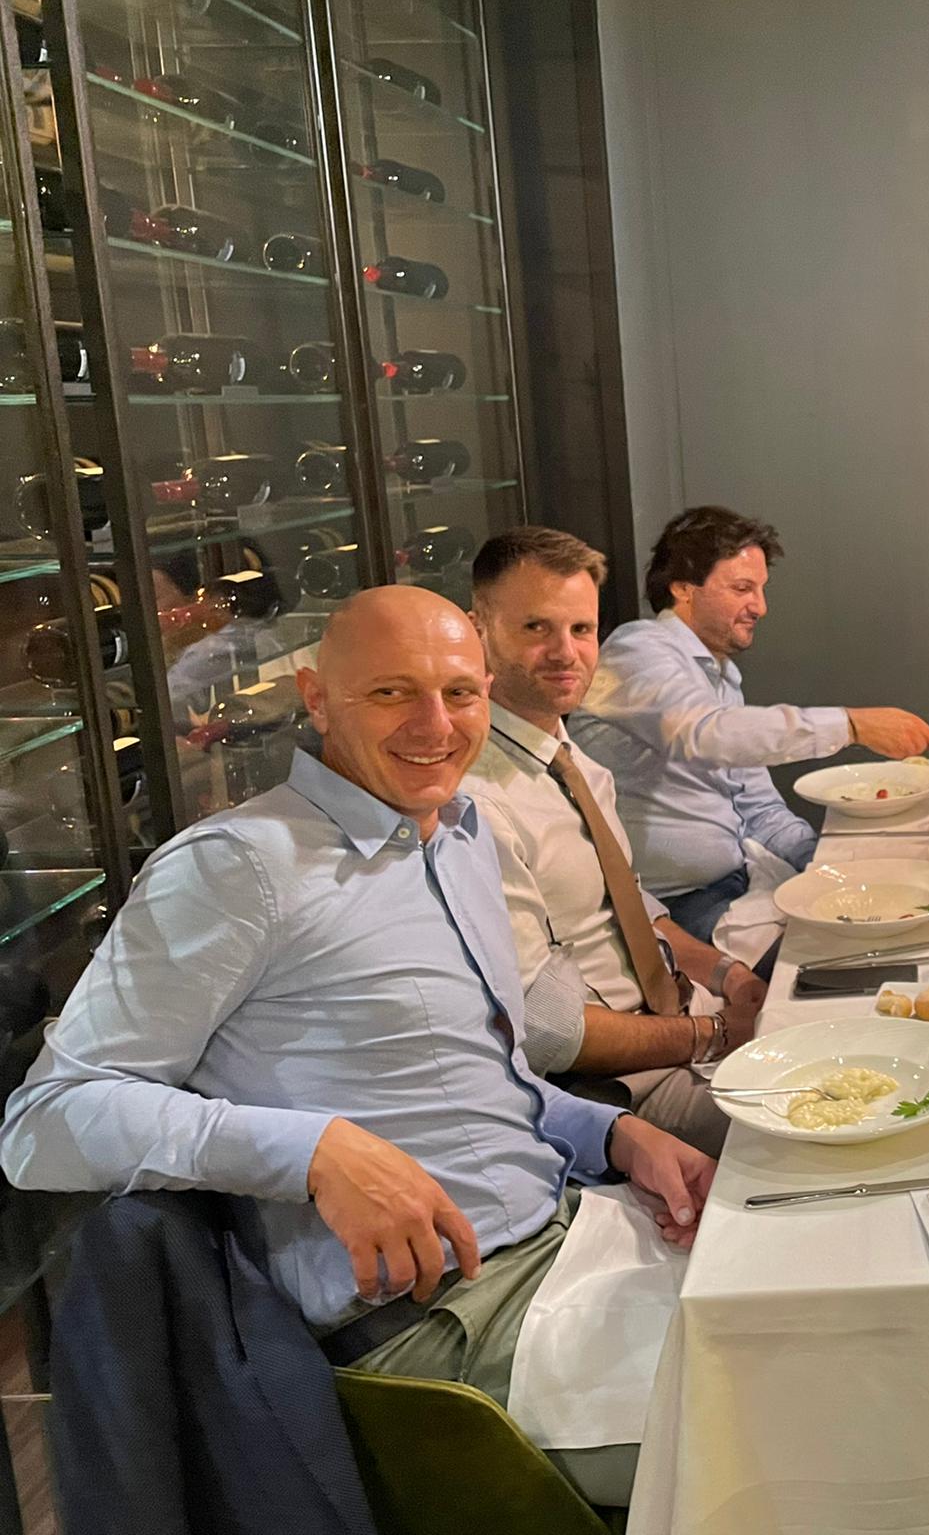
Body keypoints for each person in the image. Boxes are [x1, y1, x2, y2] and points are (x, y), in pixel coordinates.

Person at [0, 585, 713, 1507]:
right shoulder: (237, 866)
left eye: (459, 693)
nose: (435, 725)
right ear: (317, 698)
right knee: (792, 1419)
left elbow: (473, 1080)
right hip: (440, 1328)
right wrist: (314, 1151)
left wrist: (613, 1134)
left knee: (840, 1314)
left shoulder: (462, 836)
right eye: (390, 692)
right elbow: (45, 1121)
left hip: (576, 1232)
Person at [464, 528, 768, 1156]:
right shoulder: (478, 802)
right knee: (837, 1130)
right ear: (479, 631)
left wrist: (729, 975)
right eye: (536, 628)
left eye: (581, 629)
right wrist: (711, 1034)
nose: (565, 652)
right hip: (621, 1092)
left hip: (684, 1027)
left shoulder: (576, 765)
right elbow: (549, 1032)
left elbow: (633, 907)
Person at [572, 506, 929, 943]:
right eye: (743, 588)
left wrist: (828, 865)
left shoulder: (721, 676)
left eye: (761, 590)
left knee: (903, 916)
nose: (760, 607)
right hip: (671, 907)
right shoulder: (637, 649)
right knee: (855, 951)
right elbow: (702, 734)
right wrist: (850, 726)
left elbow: (758, 807)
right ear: (683, 588)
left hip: (742, 880)